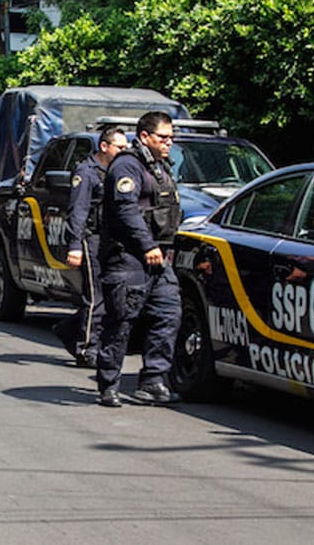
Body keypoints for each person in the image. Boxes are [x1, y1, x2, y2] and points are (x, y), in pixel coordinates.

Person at [95, 111, 182, 407]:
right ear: (145, 136)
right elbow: (125, 211)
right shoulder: (127, 166)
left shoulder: (159, 167)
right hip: (128, 258)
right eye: (163, 137)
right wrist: (147, 245)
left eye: (171, 137)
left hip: (158, 258)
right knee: (121, 321)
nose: (169, 142)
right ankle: (108, 384)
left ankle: (154, 380)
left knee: (168, 314)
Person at [55, 127, 128, 368]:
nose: (124, 152)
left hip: (111, 241)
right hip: (90, 238)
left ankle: (68, 330)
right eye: (120, 147)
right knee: (95, 296)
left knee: (111, 296)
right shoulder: (86, 172)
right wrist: (75, 245)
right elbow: (78, 210)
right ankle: (87, 348)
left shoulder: (117, 171)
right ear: (104, 147)